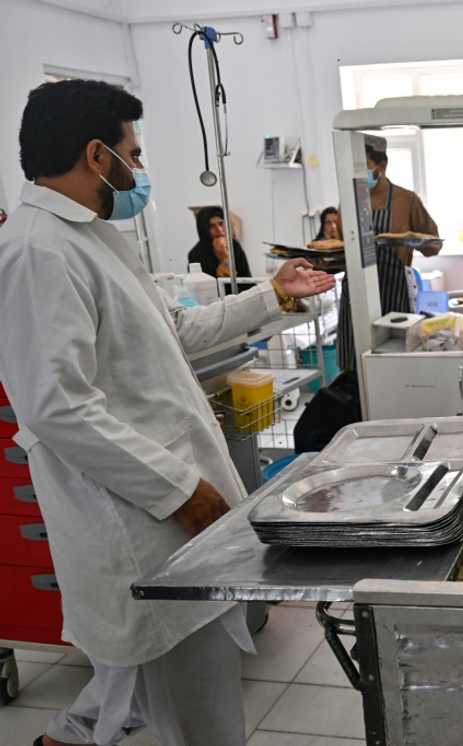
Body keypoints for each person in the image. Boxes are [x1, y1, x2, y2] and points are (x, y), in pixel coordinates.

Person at [0, 79, 335, 746]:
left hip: (168, 513)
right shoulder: (38, 251)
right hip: (138, 518)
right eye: (135, 153)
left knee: (196, 689)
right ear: (99, 155)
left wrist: (269, 296)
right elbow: (57, 406)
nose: (140, 170)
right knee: (190, 706)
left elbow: (169, 335)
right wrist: (180, 490)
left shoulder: (90, 237)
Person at [335, 136, 439, 373]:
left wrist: (413, 241)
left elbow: (434, 244)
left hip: (394, 289)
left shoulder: (406, 199)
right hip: (356, 292)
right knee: (356, 359)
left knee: (395, 359)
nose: (360, 173)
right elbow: (345, 246)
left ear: (382, 167)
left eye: (365, 166)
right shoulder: (349, 202)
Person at [187, 205, 252, 280]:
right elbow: (199, 285)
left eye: (221, 224)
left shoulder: (234, 246)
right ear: (204, 229)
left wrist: (226, 258)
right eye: (212, 226)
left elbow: (247, 280)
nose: (219, 229)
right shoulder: (195, 254)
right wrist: (222, 261)